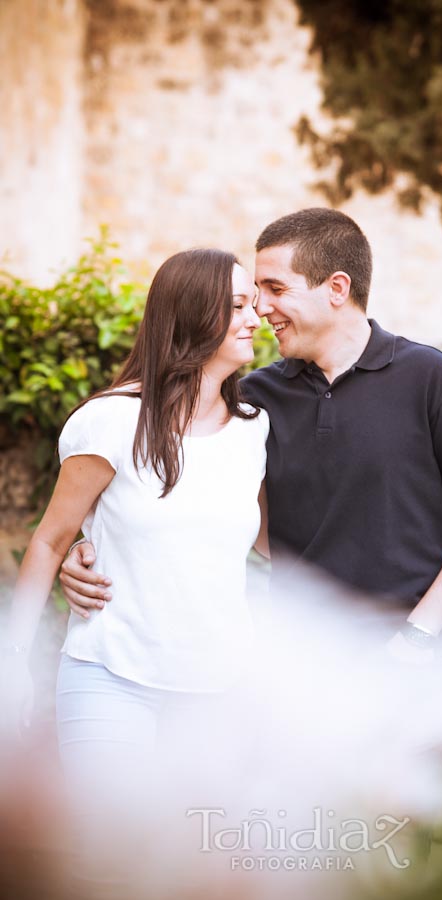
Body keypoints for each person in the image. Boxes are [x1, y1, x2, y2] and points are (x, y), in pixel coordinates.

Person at [60, 208, 442, 664]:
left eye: (276, 289)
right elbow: (187, 500)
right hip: (300, 670)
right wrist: (91, 546)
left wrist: (419, 635)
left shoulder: (429, 377)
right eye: (258, 292)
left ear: (337, 288)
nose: (260, 308)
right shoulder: (255, 399)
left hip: (415, 665)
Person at [2, 248, 269, 890]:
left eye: (254, 303)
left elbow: (270, 544)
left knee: (193, 872)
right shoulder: (113, 419)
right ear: (191, 316)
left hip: (218, 691)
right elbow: (49, 540)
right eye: (236, 306)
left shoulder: (255, 429)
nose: (254, 317)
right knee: (111, 869)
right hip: (110, 679)